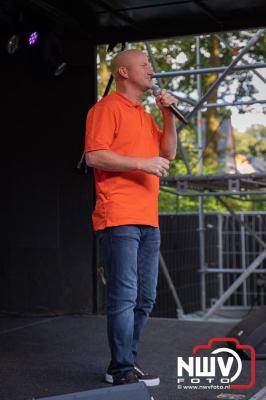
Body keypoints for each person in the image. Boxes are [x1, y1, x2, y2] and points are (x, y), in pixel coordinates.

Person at [84, 49, 177, 386]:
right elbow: (94, 155)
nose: (151, 70)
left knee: (146, 297)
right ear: (123, 71)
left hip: (148, 219)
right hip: (118, 215)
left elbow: (167, 153)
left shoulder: (144, 114)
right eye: (144, 65)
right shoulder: (105, 108)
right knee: (124, 295)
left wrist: (166, 114)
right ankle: (121, 367)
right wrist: (141, 164)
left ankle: (126, 362)